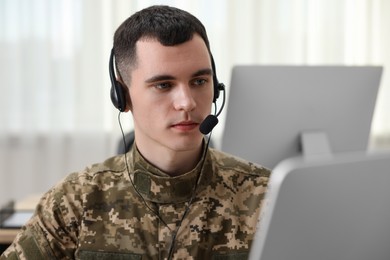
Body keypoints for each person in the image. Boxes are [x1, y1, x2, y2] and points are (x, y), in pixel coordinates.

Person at [1, 5, 270, 259]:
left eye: (200, 81)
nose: (187, 102)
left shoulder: (265, 197)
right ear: (122, 96)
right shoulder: (76, 200)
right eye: (164, 85)